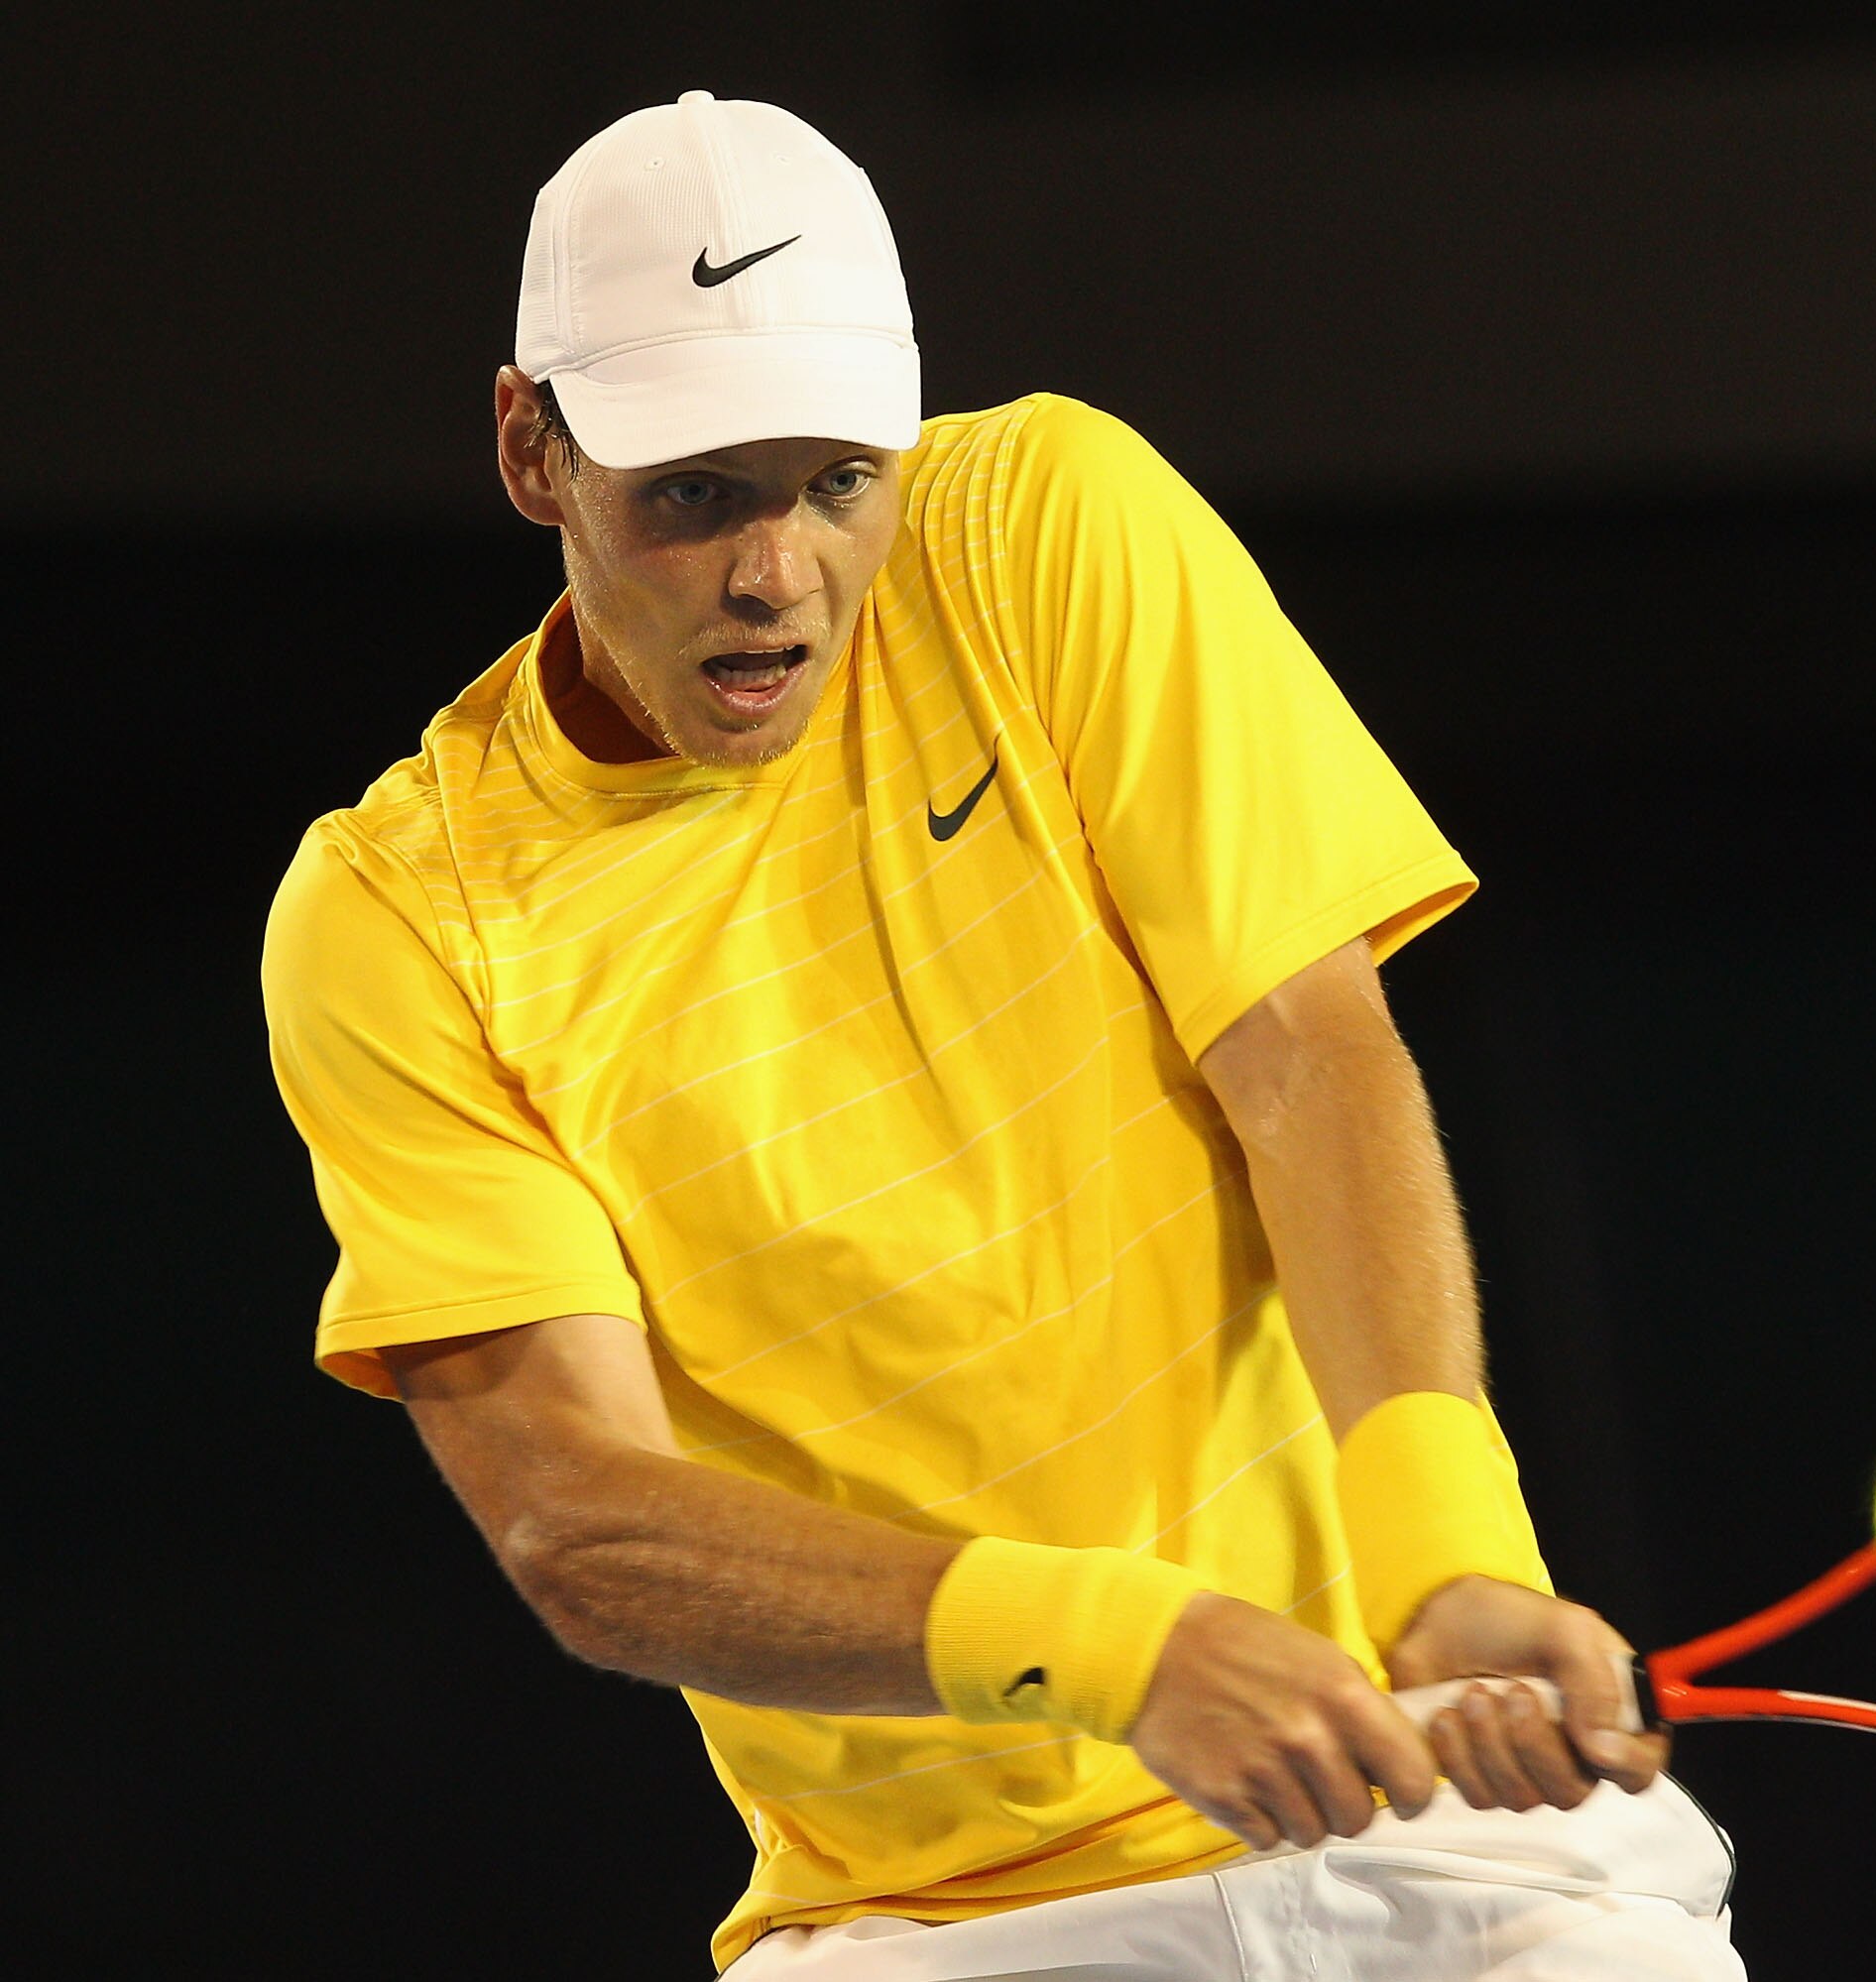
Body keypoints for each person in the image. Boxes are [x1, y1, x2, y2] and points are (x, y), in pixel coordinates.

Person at [261, 91, 1739, 1978]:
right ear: (528, 449)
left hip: (1441, 1826)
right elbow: (582, 1521)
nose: (773, 569)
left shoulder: (1048, 519)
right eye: (690, 491)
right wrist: (1117, 1650)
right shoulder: (396, 915)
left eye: (833, 482)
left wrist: (1449, 1556)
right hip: (930, 1932)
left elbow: (1304, 1050)